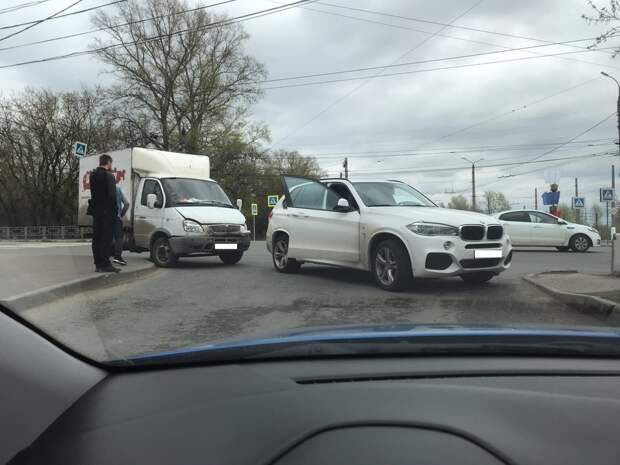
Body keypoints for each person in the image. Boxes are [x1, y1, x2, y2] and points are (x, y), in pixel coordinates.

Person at [89, 154, 119, 273]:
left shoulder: (92, 175)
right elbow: (112, 195)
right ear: (108, 162)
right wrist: (114, 210)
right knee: (106, 238)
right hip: (108, 212)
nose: (111, 166)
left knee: (97, 237)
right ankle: (105, 264)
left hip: (96, 211)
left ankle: (98, 264)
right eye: (111, 163)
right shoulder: (109, 176)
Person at [112, 185, 130, 266]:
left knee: (105, 237)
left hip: (104, 218)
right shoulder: (118, 189)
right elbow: (126, 204)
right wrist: (121, 214)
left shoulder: (102, 188)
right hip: (116, 217)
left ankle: (104, 256)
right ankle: (117, 257)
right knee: (118, 237)